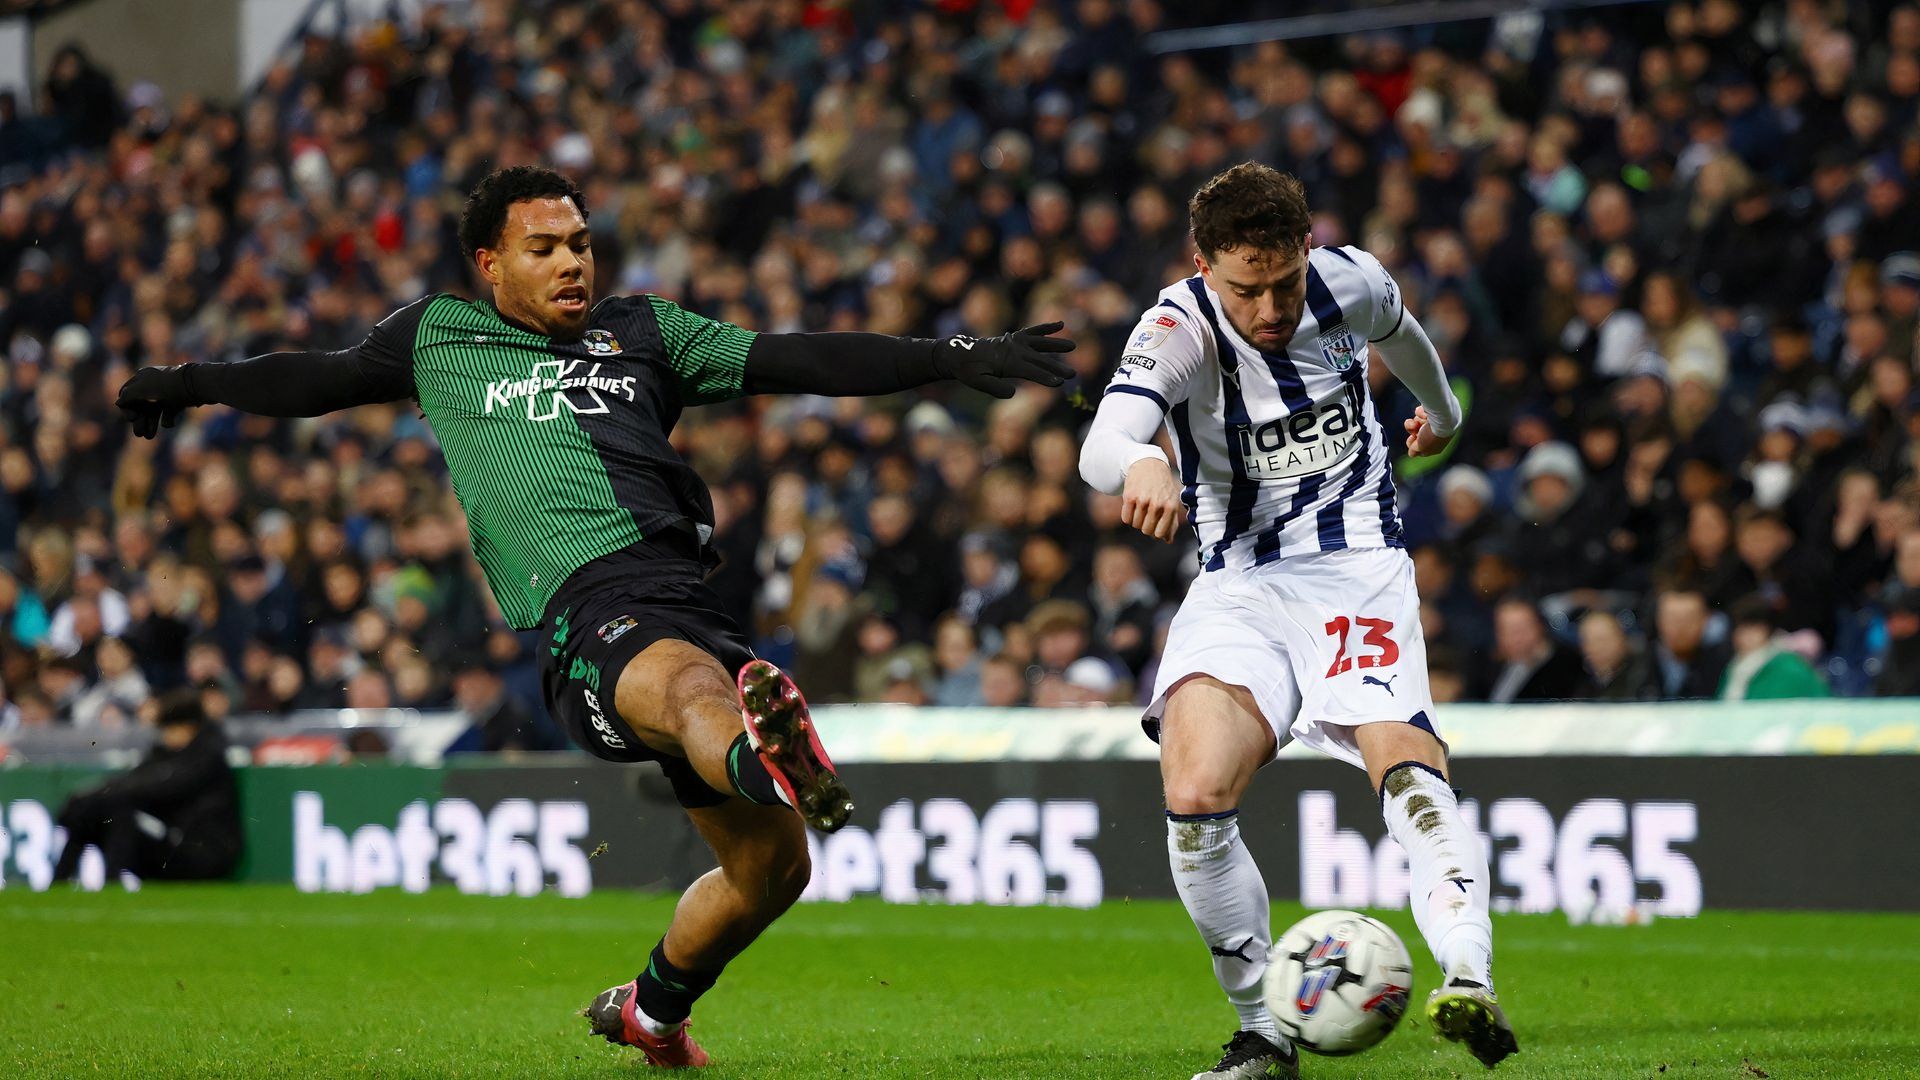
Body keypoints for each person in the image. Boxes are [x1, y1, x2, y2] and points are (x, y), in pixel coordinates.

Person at [115, 165, 1073, 1066]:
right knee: (704, 691)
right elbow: (311, 380)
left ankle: (652, 1011)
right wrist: (191, 381)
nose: (573, 261)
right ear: (489, 263)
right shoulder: (438, 337)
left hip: (688, 598)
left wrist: (950, 355)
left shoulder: (646, 331)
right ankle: (761, 754)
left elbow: (798, 358)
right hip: (589, 611)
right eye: (545, 248)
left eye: (581, 242)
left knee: (772, 875)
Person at [1078, 162, 1514, 1078]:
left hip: (1356, 569)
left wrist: (1442, 412)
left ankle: (1469, 980)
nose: (1270, 307)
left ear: (1306, 250)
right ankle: (1265, 1035)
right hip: (1238, 584)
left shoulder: (1347, 278)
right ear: (1205, 265)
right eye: (1247, 288)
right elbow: (1103, 441)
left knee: (1404, 761)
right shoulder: (1178, 325)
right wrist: (1140, 464)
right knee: (1194, 795)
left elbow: (1406, 333)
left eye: (1282, 283)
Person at [52, 688, 241, 885]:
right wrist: (88, 799)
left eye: (168, 729)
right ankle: (58, 883)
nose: (164, 736)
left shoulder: (208, 755)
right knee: (95, 813)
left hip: (201, 853)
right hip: (171, 842)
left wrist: (99, 796)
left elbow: (161, 786)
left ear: (188, 727)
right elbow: (136, 779)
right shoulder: (164, 752)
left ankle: (111, 882)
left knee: (121, 812)